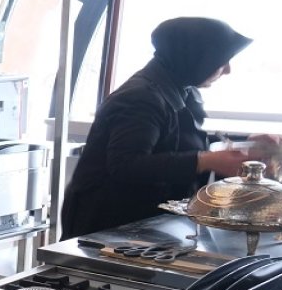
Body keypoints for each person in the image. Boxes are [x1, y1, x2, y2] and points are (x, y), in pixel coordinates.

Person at [62, 17, 267, 238]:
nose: (227, 70)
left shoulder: (180, 88)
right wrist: (203, 161)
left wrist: (246, 142)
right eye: (221, 60)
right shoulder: (140, 98)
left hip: (141, 222)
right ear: (195, 58)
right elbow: (125, 165)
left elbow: (181, 138)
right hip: (107, 224)